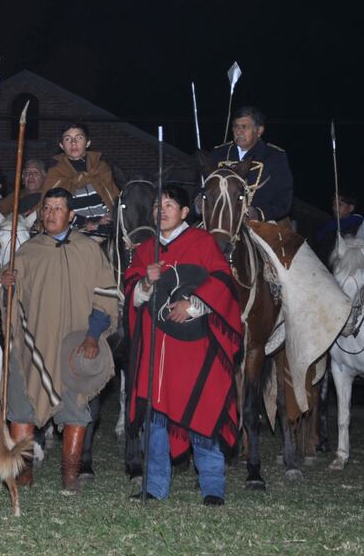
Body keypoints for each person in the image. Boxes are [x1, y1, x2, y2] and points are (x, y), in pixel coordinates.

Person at [125, 184, 242, 505]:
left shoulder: (203, 243)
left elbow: (223, 281)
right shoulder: (146, 248)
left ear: (186, 212)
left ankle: (213, 488)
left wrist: (193, 304)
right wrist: (146, 281)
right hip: (156, 352)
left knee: (202, 411)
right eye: (156, 206)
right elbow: (131, 295)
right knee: (155, 420)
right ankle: (156, 486)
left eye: (169, 205)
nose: (161, 211)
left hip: (195, 351)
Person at [0, 187, 118, 491]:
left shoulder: (89, 250)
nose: (51, 214)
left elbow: (105, 296)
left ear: (71, 215)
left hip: (73, 346)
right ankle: (23, 474)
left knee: (76, 408)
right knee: (22, 406)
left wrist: (93, 337)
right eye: (47, 208)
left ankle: (70, 476)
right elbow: (11, 305)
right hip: (31, 347)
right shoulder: (27, 251)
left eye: (57, 208)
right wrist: (5, 284)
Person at [210, 106, 293, 222]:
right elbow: (202, 187)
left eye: (244, 127)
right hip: (219, 221)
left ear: (259, 131)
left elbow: (283, 200)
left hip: (260, 223)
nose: (238, 132)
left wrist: (258, 213)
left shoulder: (274, 157)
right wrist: (199, 202)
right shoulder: (219, 153)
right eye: (235, 127)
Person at [40, 123, 119, 238]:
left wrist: (110, 216)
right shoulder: (56, 174)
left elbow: (114, 198)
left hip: (107, 227)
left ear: (88, 143)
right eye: (68, 139)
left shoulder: (101, 168)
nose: (73, 143)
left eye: (79, 138)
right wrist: (86, 223)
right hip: (73, 230)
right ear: (62, 145)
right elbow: (50, 208)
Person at [314, 191, 363, 263]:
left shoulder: (358, 226)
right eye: (334, 204)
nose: (335, 208)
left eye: (340, 204)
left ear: (351, 208)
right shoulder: (329, 227)